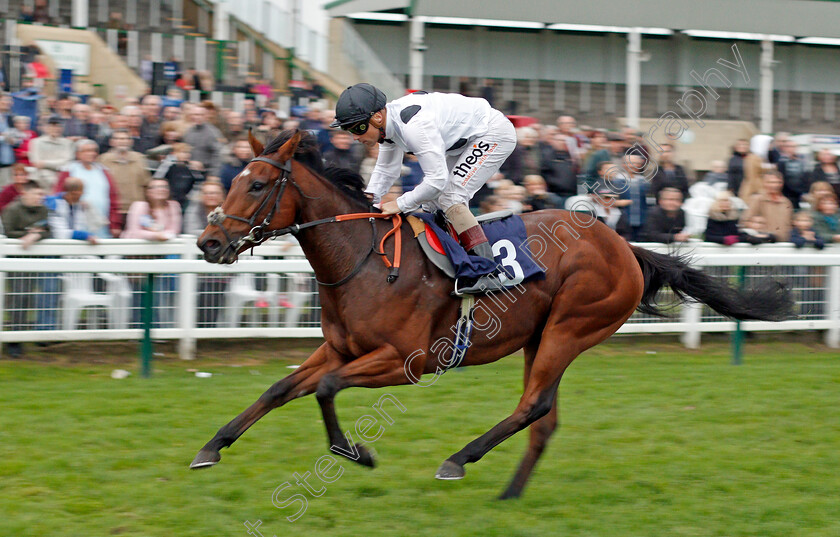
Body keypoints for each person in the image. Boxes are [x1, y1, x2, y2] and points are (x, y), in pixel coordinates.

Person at [332, 83, 517, 294]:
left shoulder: (414, 127)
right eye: (349, 130)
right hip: (463, 140)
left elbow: (437, 181)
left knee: (449, 196)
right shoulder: (388, 128)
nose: (355, 136)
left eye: (357, 128)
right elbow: (385, 170)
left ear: (377, 118)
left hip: (492, 133)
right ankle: (452, 262)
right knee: (430, 202)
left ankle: (489, 272)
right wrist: (367, 202)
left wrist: (400, 204)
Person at [2, 179, 50, 357]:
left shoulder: (43, 209)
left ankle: (23, 334)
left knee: (29, 298)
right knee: (17, 298)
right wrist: (30, 234)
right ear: (25, 194)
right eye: (37, 194)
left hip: (35, 260)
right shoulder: (12, 209)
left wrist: (35, 235)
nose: (41, 197)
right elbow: (8, 232)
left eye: (42, 194)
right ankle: (14, 341)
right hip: (16, 261)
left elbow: (47, 229)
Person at [54, 139, 122, 238]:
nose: (92, 153)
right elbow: (59, 195)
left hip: (102, 223)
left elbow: (113, 198)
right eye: (87, 151)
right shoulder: (68, 170)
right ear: (77, 154)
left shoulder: (104, 171)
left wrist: (115, 224)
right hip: (77, 223)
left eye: (94, 151)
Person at [99, 129, 152, 226]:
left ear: (130, 141)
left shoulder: (140, 159)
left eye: (125, 138)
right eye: (118, 139)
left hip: (136, 209)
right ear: (112, 142)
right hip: (112, 210)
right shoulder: (103, 160)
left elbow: (146, 184)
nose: (122, 141)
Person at [740, 170, 793, 242]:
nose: (775, 185)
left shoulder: (786, 202)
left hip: (782, 244)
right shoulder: (757, 199)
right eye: (771, 182)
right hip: (763, 244)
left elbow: (790, 225)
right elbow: (745, 221)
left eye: (778, 182)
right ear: (764, 183)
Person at [28, 115, 74, 188]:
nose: (56, 129)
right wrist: (57, 163)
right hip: (42, 176)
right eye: (53, 126)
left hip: (61, 175)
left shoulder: (68, 143)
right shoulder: (36, 142)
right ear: (47, 127)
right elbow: (36, 162)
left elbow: (67, 162)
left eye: (59, 126)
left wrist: (45, 163)